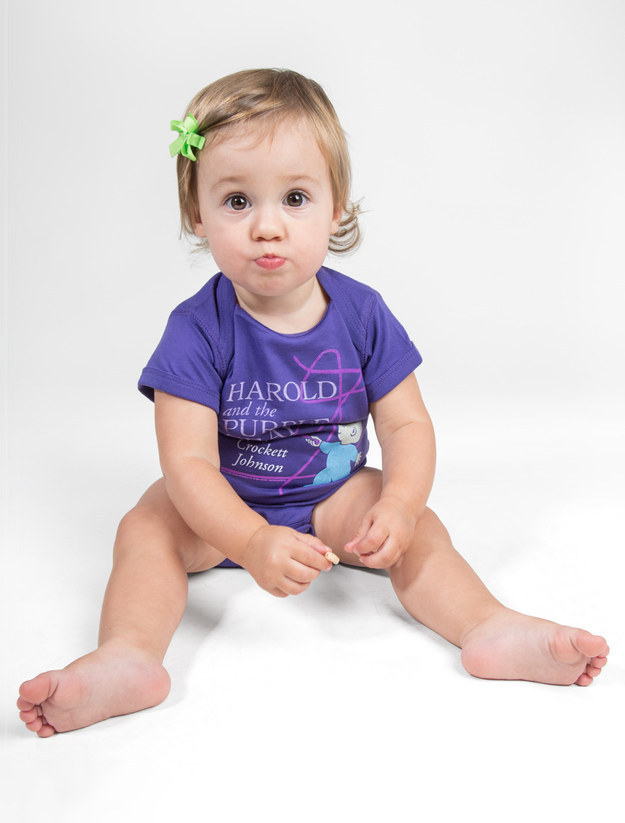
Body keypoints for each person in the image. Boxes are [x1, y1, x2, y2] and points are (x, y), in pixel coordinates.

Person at [17, 69, 609, 737]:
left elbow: (406, 423)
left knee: (421, 527)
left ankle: (488, 626)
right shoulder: (196, 328)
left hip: (334, 498)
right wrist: (248, 538)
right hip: (219, 507)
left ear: (336, 208)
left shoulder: (362, 313)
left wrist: (399, 505)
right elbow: (188, 463)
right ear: (196, 213)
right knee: (145, 528)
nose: (267, 227)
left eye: (295, 198)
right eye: (237, 201)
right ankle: (127, 656)